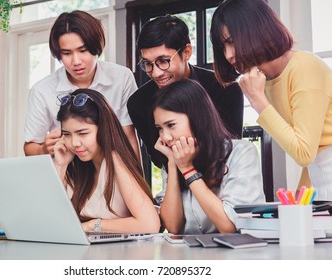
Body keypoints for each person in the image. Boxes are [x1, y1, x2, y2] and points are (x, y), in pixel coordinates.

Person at [210, 0, 332, 199]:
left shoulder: (303, 67)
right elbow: (312, 158)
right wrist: (300, 203)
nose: (228, 55)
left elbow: (304, 153)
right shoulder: (265, 81)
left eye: (231, 41)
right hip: (319, 182)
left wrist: (257, 100)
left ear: (256, 30)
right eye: (222, 46)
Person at [127, 14, 244, 169]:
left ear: (187, 52)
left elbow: (232, 148)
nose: (155, 73)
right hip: (175, 180)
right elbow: (158, 158)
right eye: (148, 64)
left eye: (163, 61)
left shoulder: (225, 89)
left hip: (225, 176)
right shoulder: (138, 103)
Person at [24, 10, 140, 162]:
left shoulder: (121, 77)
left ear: (97, 46)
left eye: (83, 50)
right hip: (69, 176)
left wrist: (138, 182)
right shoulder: (42, 90)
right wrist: (42, 149)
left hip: (112, 170)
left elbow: (129, 138)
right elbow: (30, 147)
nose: (76, 61)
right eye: (67, 53)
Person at [152, 79, 265, 234]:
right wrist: (173, 164)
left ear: (196, 118)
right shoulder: (173, 159)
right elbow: (173, 226)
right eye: (160, 128)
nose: (165, 137)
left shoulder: (241, 153)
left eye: (171, 125)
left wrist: (187, 170)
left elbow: (229, 226)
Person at [53, 89, 160, 233]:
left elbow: (150, 225)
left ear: (103, 129)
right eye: (66, 134)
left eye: (83, 133)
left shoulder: (117, 162)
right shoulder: (73, 164)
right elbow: (50, 220)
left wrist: (92, 225)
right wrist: (61, 166)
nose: (74, 143)